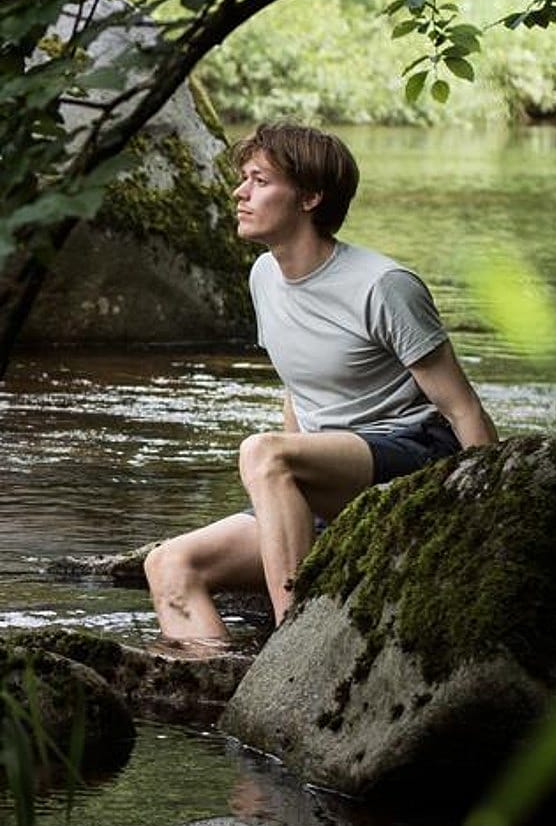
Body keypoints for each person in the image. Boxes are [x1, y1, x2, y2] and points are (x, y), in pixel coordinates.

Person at [145, 122, 497, 652]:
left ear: (310, 197)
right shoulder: (263, 276)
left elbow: (462, 408)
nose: (240, 193)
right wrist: (282, 503)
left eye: (259, 180)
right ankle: (220, 680)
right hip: (325, 478)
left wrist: (488, 522)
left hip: (413, 458)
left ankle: (296, 645)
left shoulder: (384, 286)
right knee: (170, 563)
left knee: (263, 451)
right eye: (243, 178)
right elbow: (298, 392)